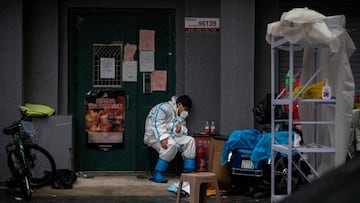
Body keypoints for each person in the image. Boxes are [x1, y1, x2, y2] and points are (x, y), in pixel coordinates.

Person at [144, 95, 196, 183]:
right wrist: (163, 138)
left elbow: (183, 130)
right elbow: (157, 124)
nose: (185, 111)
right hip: (154, 137)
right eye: (185, 108)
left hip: (171, 136)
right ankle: (157, 173)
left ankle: (188, 172)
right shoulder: (163, 108)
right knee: (170, 144)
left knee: (190, 141)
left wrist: (179, 130)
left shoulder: (180, 116)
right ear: (179, 104)